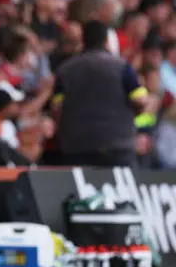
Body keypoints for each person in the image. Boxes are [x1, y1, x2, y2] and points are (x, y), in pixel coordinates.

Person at [52, 20, 150, 167]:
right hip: (118, 145)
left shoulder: (65, 70)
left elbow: (56, 108)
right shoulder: (122, 67)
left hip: (78, 146)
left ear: (83, 40)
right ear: (106, 40)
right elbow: (141, 100)